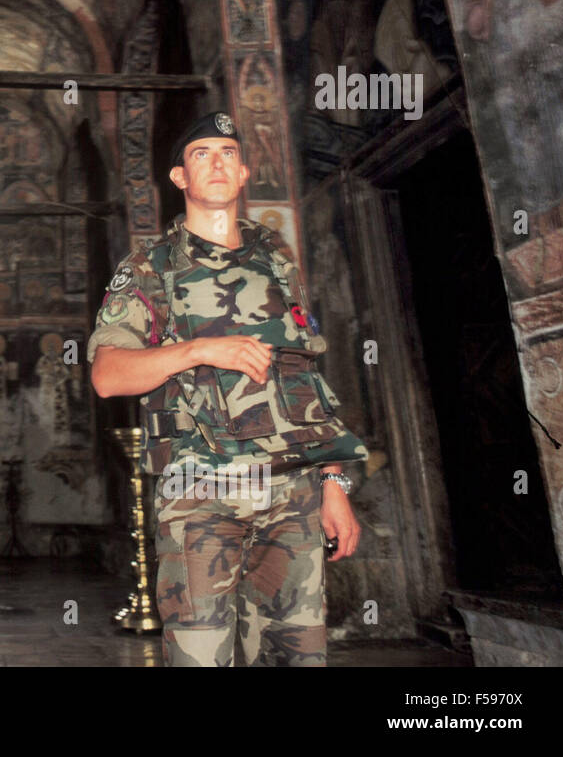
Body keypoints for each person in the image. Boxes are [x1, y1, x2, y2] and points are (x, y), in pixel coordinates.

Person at [89, 111, 366, 667]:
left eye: (227, 153)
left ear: (243, 174)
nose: (216, 163)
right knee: (200, 657)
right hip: (200, 494)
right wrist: (195, 350)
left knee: (298, 657)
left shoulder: (278, 260)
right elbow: (107, 374)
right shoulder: (150, 268)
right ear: (179, 179)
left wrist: (334, 480)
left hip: (293, 494)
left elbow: (309, 378)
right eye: (200, 154)